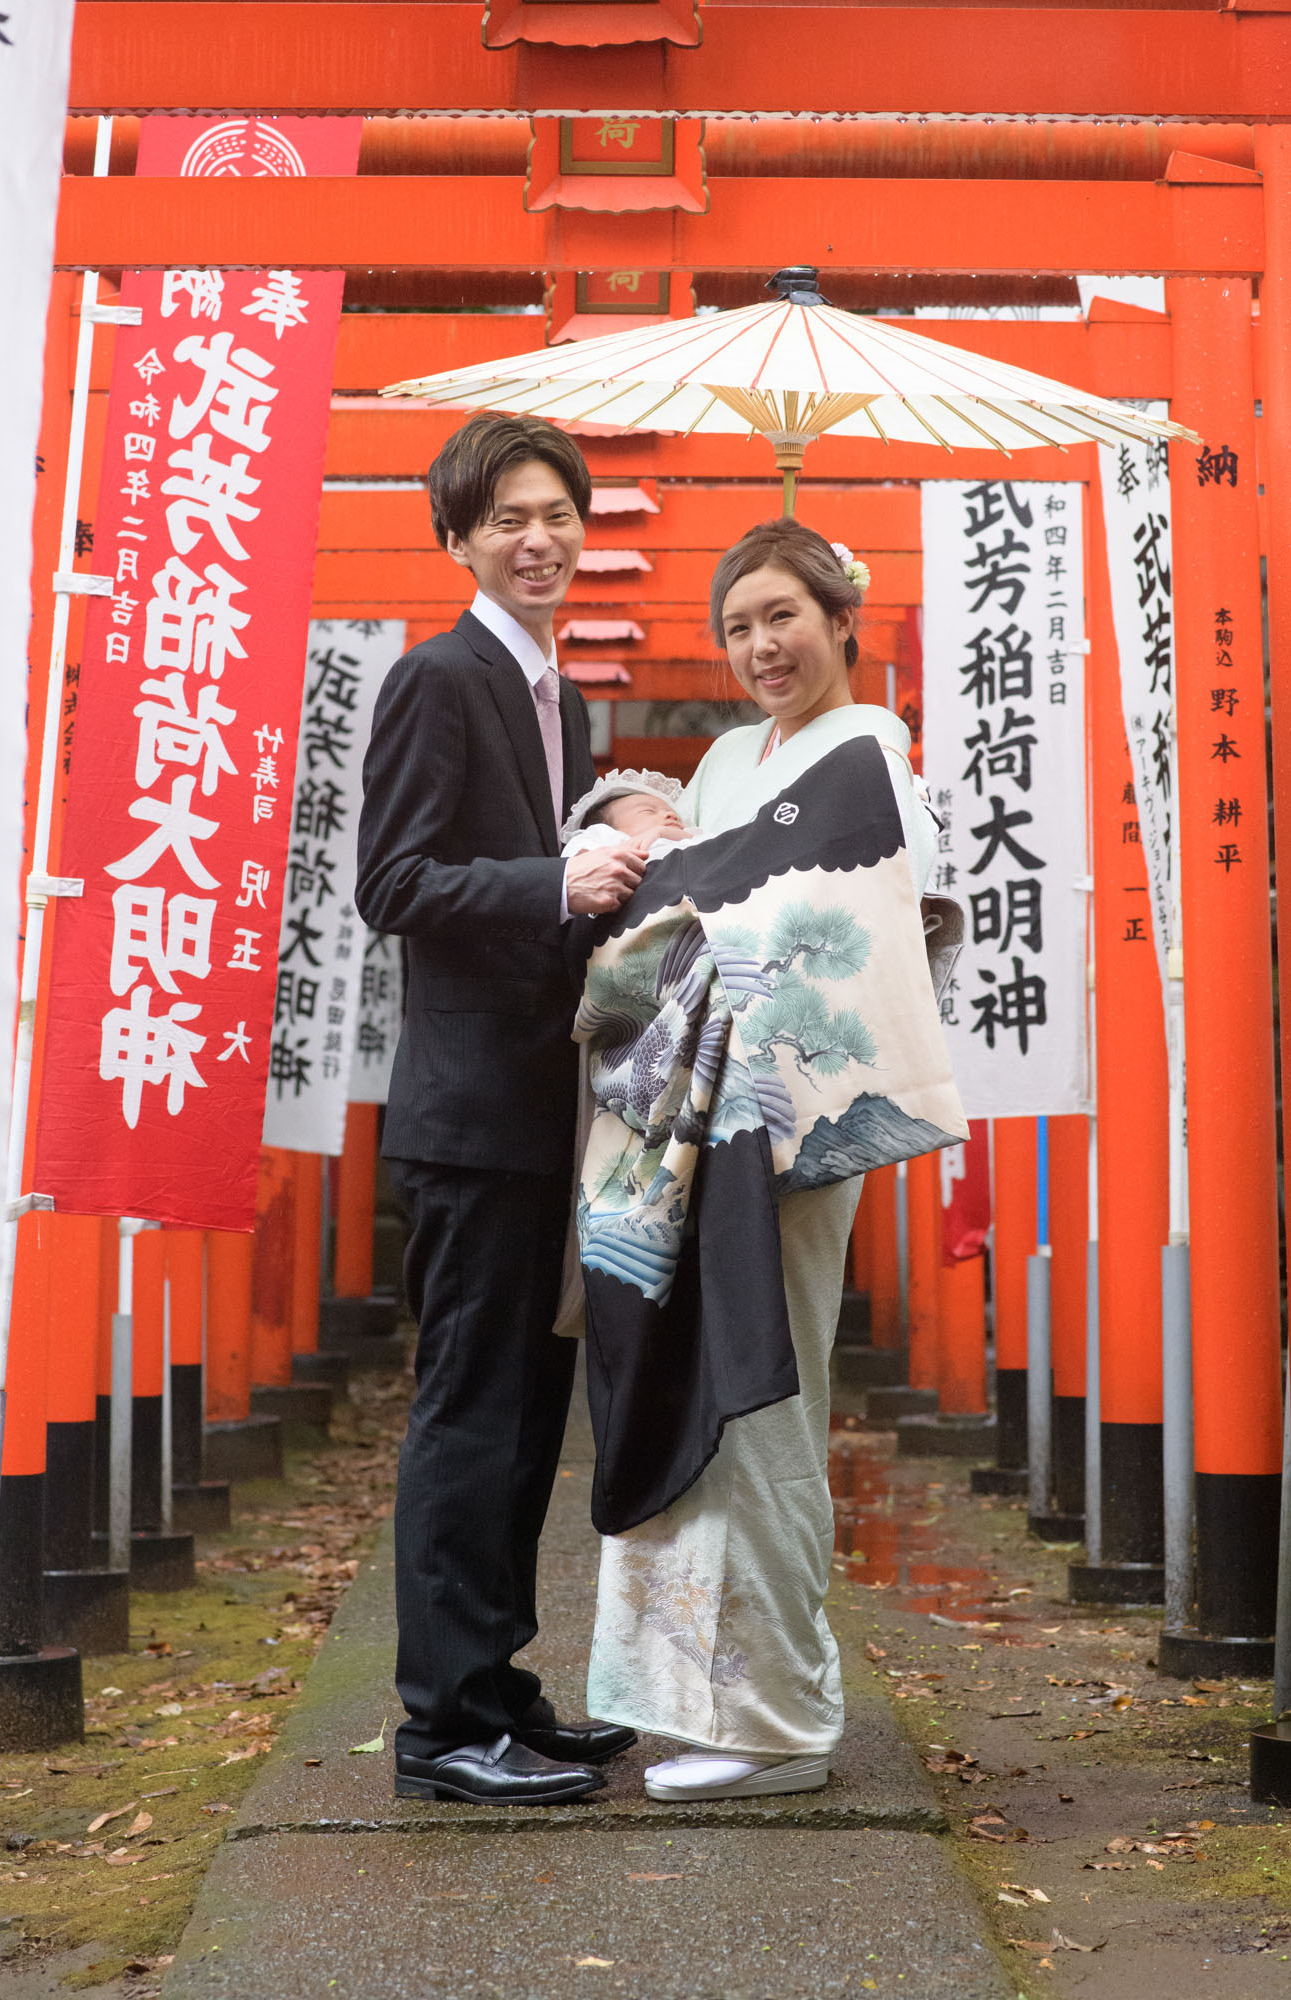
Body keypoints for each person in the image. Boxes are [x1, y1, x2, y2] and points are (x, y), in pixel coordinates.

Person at [585, 517, 947, 1803]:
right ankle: (689, 1694)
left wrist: (714, 899)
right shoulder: (736, 754)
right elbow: (678, 869)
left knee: (765, 1385)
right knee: (682, 1369)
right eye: (738, 625)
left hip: (784, 1117)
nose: (760, 645)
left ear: (844, 617)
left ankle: (782, 1716)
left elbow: (876, 921)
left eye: (784, 614)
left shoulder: (875, 754)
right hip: (684, 1120)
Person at [355, 413, 644, 1807]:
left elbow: (556, 906)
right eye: (509, 518)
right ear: (457, 535)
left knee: (532, 1417)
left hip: (546, 1114)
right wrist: (554, 881)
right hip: (468, 1121)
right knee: (469, 1415)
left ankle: (498, 1687)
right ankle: (437, 1729)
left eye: (559, 515)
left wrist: (635, 890)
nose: (541, 539)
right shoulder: (439, 679)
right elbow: (393, 886)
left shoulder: (556, 697)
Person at [560, 769, 700, 862]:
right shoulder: (609, 836)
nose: (670, 814)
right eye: (649, 811)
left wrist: (663, 832)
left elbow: (713, 846)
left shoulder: (688, 840)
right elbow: (576, 862)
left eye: (673, 812)